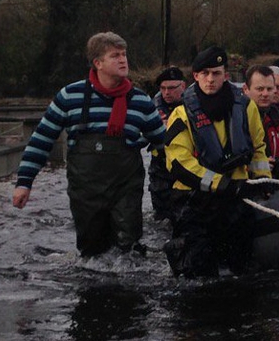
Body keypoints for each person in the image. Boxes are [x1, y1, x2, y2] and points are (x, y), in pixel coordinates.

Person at [12, 32, 165, 257]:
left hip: (126, 190)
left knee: (129, 251)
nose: (123, 60)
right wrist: (24, 182)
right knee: (92, 253)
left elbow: (164, 142)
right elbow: (41, 140)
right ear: (98, 63)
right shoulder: (69, 96)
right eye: (115, 56)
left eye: (124, 55)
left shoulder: (141, 101)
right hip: (86, 192)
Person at [163, 46, 271, 277]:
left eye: (216, 73)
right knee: (198, 271)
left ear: (226, 75)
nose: (210, 79)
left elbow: (258, 148)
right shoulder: (181, 114)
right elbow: (179, 164)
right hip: (195, 202)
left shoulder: (245, 106)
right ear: (196, 76)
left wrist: (262, 179)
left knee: (241, 267)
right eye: (205, 73)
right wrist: (219, 184)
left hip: (235, 200)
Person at [148, 66, 186, 222]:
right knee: (161, 216)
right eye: (163, 88)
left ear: (183, 86)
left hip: (185, 162)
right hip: (160, 165)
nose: (166, 93)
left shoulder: (193, 104)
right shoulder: (152, 107)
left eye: (171, 88)